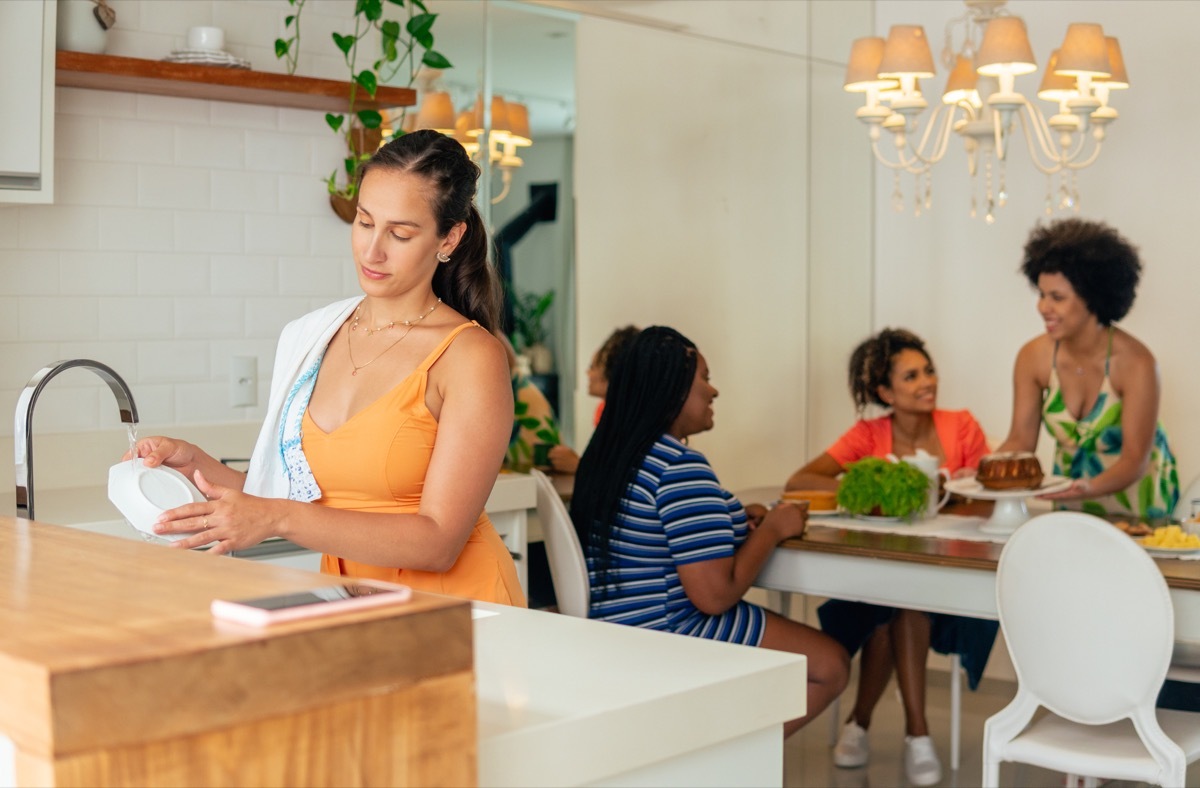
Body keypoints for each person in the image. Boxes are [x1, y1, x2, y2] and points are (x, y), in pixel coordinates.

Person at [132, 129, 525, 607]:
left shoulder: (470, 356)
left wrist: (277, 519)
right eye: (364, 223)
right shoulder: (314, 336)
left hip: (462, 612)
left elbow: (439, 542)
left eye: (399, 233)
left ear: (451, 237)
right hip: (351, 609)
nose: (372, 250)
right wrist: (196, 465)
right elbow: (292, 495)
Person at [571, 326, 849, 737]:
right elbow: (714, 596)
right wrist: (771, 529)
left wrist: (735, 517)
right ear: (672, 391)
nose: (713, 391)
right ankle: (725, 759)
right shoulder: (680, 467)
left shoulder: (609, 457)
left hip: (615, 629)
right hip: (668, 631)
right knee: (830, 666)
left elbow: (666, 532)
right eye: (705, 378)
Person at [785, 327, 995, 786]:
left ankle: (860, 724)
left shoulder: (961, 426)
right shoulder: (869, 435)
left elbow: (992, 497)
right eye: (911, 376)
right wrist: (874, 486)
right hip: (877, 577)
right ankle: (914, 734)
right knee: (893, 605)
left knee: (904, 605)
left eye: (929, 370)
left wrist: (949, 495)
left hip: (949, 577)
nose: (927, 382)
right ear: (884, 391)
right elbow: (801, 481)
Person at [997, 217, 1178, 520]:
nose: (1043, 307)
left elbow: (1134, 459)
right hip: (1072, 505)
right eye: (1041, 294)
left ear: (1093, 298)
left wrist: (1086, 488)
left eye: (1057, 297)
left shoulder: (1137, 363)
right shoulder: (1033, 358)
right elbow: (1020, 441)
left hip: (1139, 508)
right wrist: (980, 470)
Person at [546, 325, 639, 474]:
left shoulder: (628, 417)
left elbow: (619, 472)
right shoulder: (604, 410)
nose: (588, 373)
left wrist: (578, 466)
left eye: (593, 366)